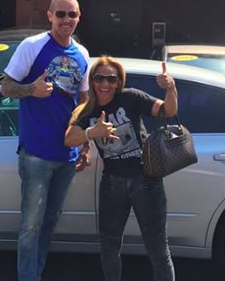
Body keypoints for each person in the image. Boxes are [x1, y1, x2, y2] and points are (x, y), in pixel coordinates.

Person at [1, 0, 90, 281]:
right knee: (31, 226)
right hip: (36, 155)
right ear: (49, 15)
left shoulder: (83, 54)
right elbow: (6, 87)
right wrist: (31, 90)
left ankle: (35, 273)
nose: (66, 19)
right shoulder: (32, 46)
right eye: (60, 14)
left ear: (79, 18)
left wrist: (85, 145)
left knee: (50, 222)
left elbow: (84, 102)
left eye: (72, 14)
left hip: (67, 155)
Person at [65, 56, 178, 281]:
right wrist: (92, 133)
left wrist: (170, 87)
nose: (105, 84)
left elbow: (168, 110)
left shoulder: (131, 97)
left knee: (158, 249)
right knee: (109, 247)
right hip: (112, 183)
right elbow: (69, 139)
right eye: (99, 78)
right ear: (92, 80)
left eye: (111, 79)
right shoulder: (87, 110)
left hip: (146, 180)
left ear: (119, 82)